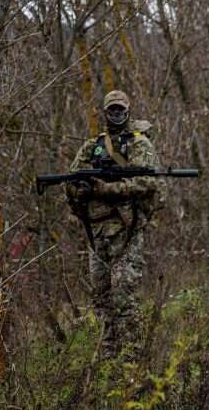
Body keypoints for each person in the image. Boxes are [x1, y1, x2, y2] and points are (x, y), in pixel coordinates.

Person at [65, 90, 161, 359]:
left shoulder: (139, 144)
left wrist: (109, 189)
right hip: (97, 233)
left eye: (121, 109)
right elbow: (71, 179)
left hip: (126, 232)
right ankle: (108, 358)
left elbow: (149, 182)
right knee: (102, 299)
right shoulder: (92, 146)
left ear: (128, 110)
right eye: (112, 110)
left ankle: (131, 359)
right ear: (104, 113)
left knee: (124, 297)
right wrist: (81, 191)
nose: (116, 114)